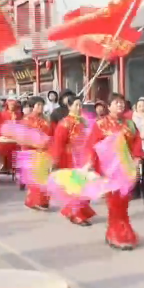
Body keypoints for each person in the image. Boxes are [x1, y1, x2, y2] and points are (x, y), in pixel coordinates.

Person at [84, 93, 144, 250]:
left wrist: (137, 159)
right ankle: (117, 233)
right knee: (114, 202)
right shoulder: (101, 124)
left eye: (122, 103)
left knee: (123, 202)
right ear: (108, 106)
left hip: (125, 169)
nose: (120, 105)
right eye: (116, 103)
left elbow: (137, 143)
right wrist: (91, 162)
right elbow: (92, 145)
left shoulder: (130, 124)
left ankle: (117, 231)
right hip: (108, 170)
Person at [48, 94, 96, 226]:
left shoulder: (84, 121)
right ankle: (76, 214)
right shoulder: (65, 123)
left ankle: (79, 212)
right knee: (76, 187)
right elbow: (58, 143)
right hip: (71, 159)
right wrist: (55, 161)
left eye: (81, 105)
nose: (79, 107)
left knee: (85, 186)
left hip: (84, 158)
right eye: (76, 105)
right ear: (69, 106)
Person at [21, 96, 52, 210]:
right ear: (32, 107)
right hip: (32, 152)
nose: (40, 107)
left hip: (44, 151)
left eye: (41, 105)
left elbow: (50, 135)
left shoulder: (46, 120)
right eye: (38, 105)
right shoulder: (26, 120)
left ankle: (43, 200)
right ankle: (34, 201)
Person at [0, 97, 23, 174]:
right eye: (10, 105)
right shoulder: (3, 114)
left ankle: (14, 168)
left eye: (13, 105)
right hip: (6, 137)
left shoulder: (19, 113)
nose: (12, 106)